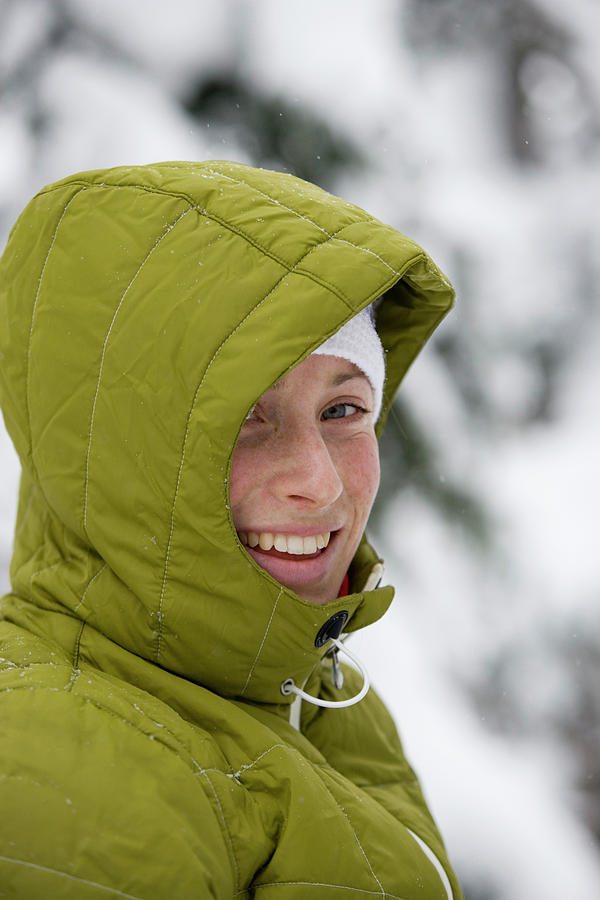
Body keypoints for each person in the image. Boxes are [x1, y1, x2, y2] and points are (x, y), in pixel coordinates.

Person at [0, 161, 462, 898]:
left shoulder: (328, 706)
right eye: (248, 414)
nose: (319, 480)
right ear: (122, 451)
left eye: (342, 411)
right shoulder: (54, 771)